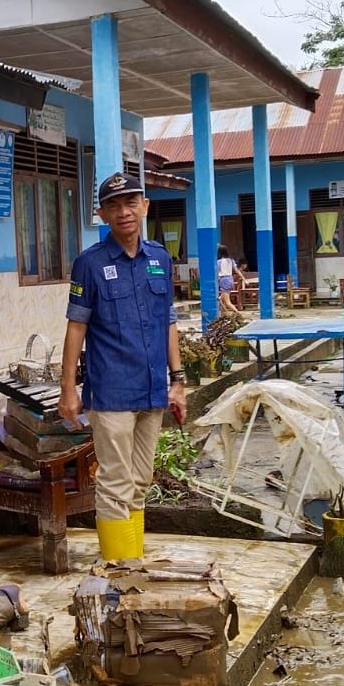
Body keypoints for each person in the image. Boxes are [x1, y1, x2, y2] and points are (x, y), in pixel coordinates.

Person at [58, 173, 186, 561]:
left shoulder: (160, 258)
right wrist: (68, 390)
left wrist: (178, 380)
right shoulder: (89, 264)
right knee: (115, 482)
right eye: (113, 205)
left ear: (145, 206)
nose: (123, 212)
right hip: (111, 391)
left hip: (151, 389)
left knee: (141, 479)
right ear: (101, 214)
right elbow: (76, 326)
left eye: (131, 202)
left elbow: (169, 322)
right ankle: (120, 571)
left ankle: (134, 563)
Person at [217, 244, 241, 315]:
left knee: (227, 302)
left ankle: (238, 314)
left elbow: (217, 272)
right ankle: (223, 314)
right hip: (230, 279)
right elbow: (236, 270)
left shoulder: (219, 262)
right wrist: (243, 278)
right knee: (221, 300)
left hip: (224, 280)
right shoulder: (231, 260)